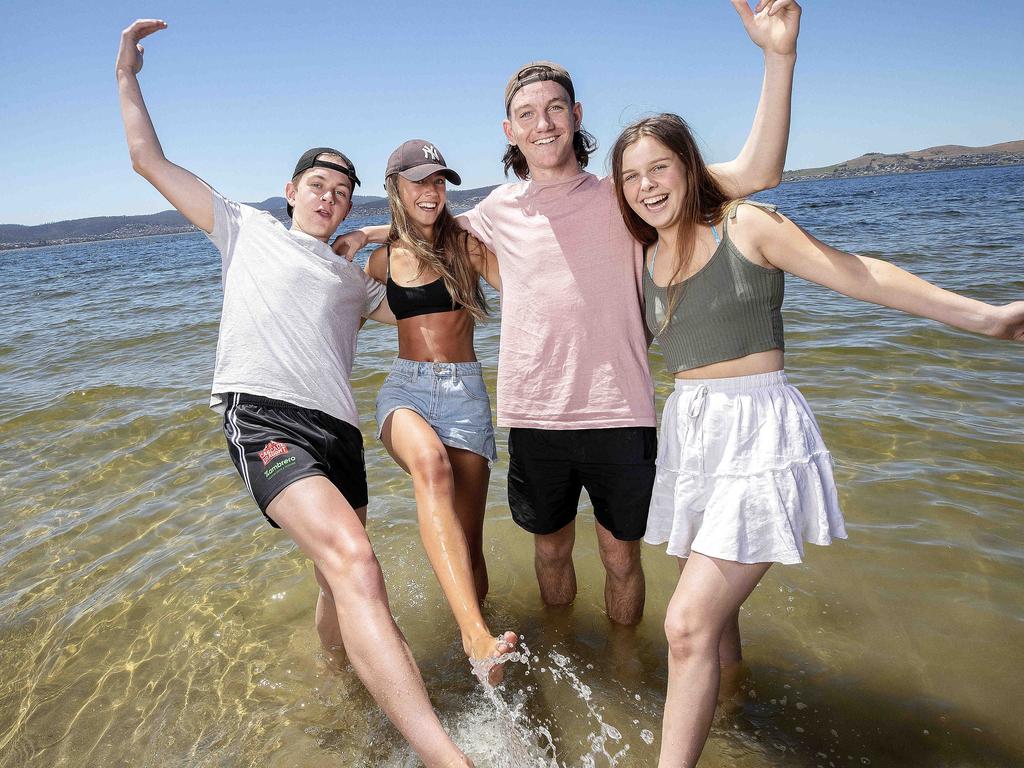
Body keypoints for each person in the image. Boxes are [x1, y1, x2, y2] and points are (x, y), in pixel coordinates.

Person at [338, 0, 803, 626]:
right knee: (551, 559)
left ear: (576, 116)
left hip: (622, 411)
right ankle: (563, 675)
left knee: (621, 562)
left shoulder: (630, 195)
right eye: (527, 114)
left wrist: (779, 55)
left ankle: (623, 675)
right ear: (510, 131)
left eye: (556, 108)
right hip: (535, 416)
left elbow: (759, 172)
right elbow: (425, 224)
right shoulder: (496, 210)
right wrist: (362, 236)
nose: (544, 123)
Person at [609, 111, 1024, 767]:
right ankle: (732, 711)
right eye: (631, 176)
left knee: (685, 626)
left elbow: (860, 274)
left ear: (690, 167)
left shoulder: (747, 226)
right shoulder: (641, 259)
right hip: (692, 437)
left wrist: (987, 317)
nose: (647, 185)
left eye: (660, 166)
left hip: (759, 434)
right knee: (713, 628)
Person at [116, 20, 475, 768]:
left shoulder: (354, 279)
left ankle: (338, 685)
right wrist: (128, 78)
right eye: (318, 186)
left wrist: (398, 232)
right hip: (265, 416)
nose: (329, 199)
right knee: (355, 562)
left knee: (333, 580)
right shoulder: (241, 227)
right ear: (290, 191)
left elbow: (422, 301)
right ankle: (445, 755)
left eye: (343, 194)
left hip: (339, 434)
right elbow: (148, 159)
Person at [364, 139, 516, 683]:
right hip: (405, 390)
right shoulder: (381, 260)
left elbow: (524, 286)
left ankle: (480, 647)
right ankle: (475, 637)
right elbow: (335, 312)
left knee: (470, 546)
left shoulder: (467, 246)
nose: (431, 192)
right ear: (396, 189)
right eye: (419, 182)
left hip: (465, 394)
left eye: (437, 182)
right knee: (430, 466)